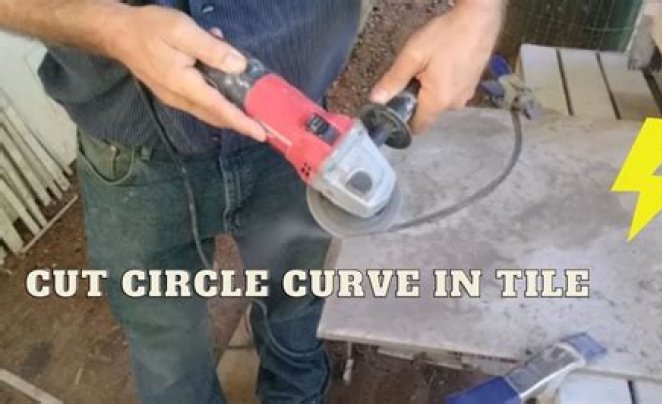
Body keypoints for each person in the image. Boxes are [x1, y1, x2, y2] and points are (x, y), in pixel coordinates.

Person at [0, 0, 504, 402]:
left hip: (296, 137)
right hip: (130, 157)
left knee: (296, 303)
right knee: (167, 351)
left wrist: (478, 12)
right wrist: (107, 26)